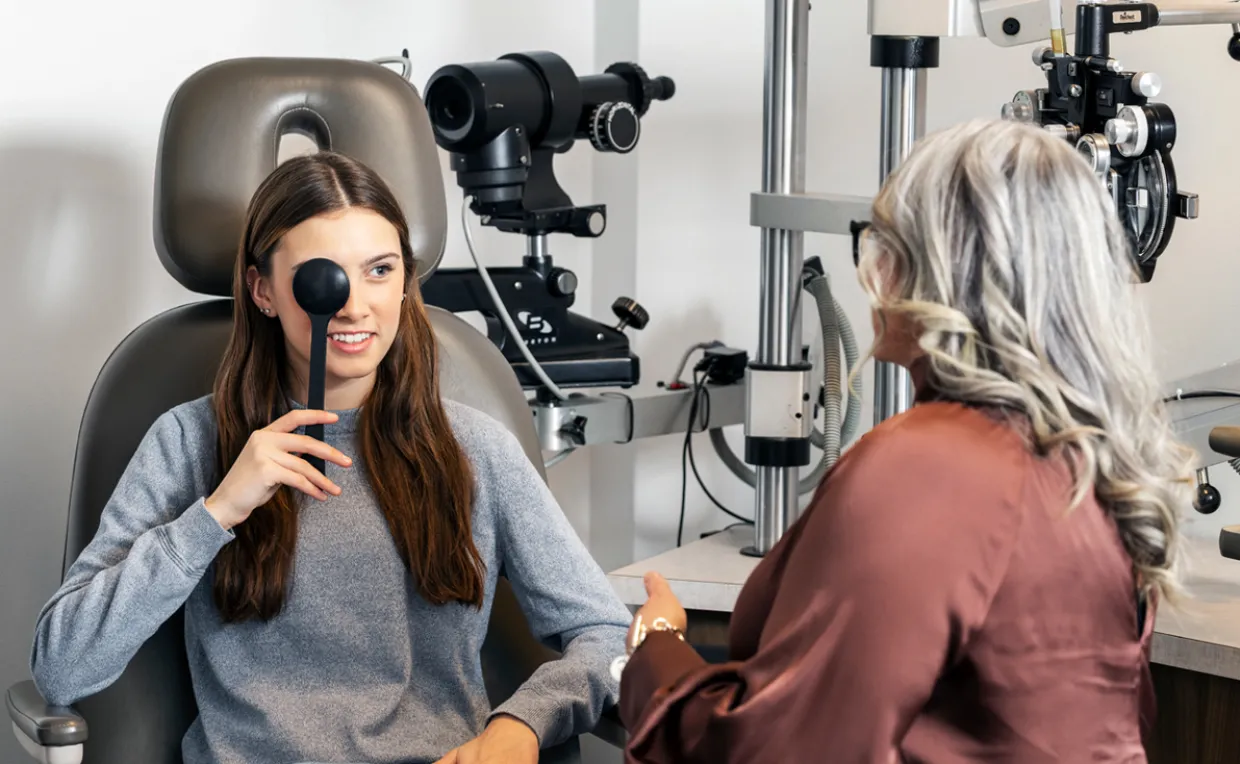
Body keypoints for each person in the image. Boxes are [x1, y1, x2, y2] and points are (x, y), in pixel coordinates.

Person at [617, 119, 1196, 762]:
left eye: (879, 240)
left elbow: (776, 750)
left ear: (939, 265)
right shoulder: (1082, 457)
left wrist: (654, 653)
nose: (871, 268)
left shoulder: (930, 466)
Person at [29, 151, 631, 764]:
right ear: (263, 289)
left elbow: (606, 634)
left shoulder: (476, 449)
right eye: (325, 276)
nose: (353, 305)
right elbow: (61, 666)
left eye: (379, 270)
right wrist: (215, 514)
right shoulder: (187, 442)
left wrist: (520, 727)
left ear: (405, 283)